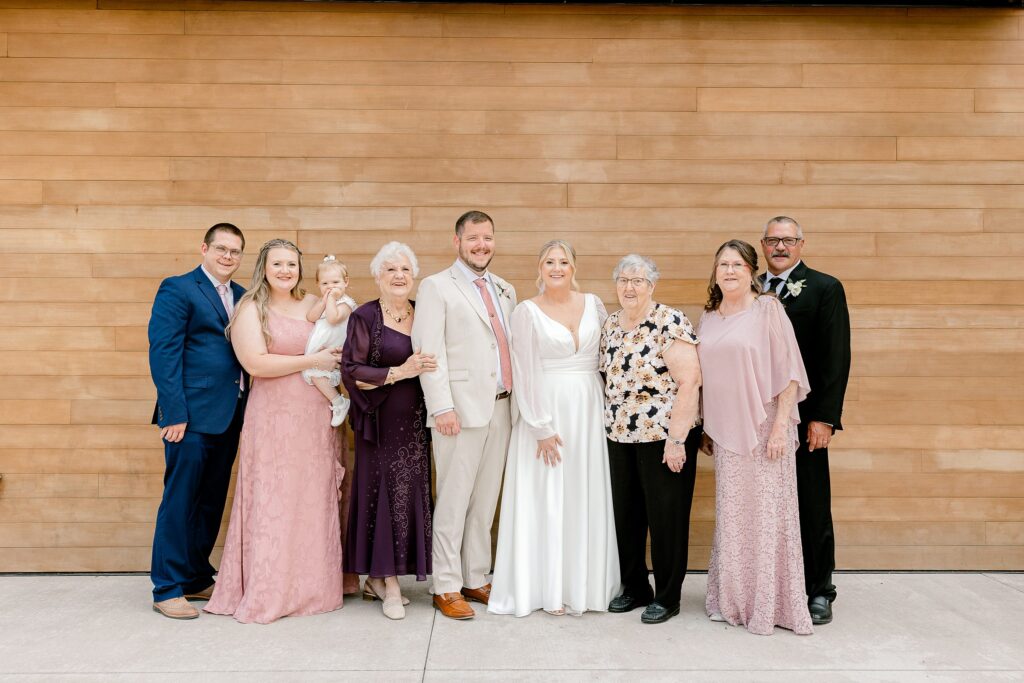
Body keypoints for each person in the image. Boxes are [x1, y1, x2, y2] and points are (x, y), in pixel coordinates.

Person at [204, 239, 346, 624]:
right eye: (278, 264)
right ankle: (270, 589)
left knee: (312, 497)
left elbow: (336, 336)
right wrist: (311, 359)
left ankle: (313, 587)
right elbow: (255, 363)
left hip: (316, 417)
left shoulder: (313, 302)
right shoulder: (251, 307)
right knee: (274, 499)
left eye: (292, 264)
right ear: (264, 268)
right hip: (272, 418)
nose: (286, 270)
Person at [488, 240, 620, 618]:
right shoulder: (527, 312)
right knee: (547, 496)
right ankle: (547, 587)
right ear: (540, 267)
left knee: (583, 492)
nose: (557, 267)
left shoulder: (594, 303)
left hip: (589, 411)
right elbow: (524, 372)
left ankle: (586, 584)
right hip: (546, 412)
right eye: (550, 261)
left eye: (564, 261)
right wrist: (540, 426)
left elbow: (607, 361)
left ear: (574, 267)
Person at [698, 239, 813, 636]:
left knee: (767, 518)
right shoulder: (709, 316)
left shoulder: (768, 309)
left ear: (751, 271)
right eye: (723, 264)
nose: (729, 271)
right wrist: (705, 424)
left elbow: (789, 372)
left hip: (765, 429)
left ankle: (769, 603)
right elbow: (705, 378)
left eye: (737, 265)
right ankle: (732, 601)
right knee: (733, 518)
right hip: (726, 433)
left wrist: (781, 426)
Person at [411, 210, 517, 620]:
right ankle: (446, 584)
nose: (481, 245)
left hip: (502, 408)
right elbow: (429, 352)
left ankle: (475, 575)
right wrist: (442, 407)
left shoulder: (504, 288)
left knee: (485, 499)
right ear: (457, 241)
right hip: (457, 411)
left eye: (487, 238)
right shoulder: (437, 286)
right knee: (454, 502)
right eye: (473, 238)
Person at [148, 223, 248, 620]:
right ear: (204, 248)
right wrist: (173, 413)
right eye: (221, 248)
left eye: (235, 251)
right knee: (180, 499)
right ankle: (167, 586)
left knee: (209, 500)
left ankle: (193, 574)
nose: (228, 256)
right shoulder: (178, 288)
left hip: (229, 413)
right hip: (188, 417)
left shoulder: (241, 296)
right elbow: (164, 351)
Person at [599, 254, 702, 625]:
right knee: (627, 518)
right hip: (619, 435)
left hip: (664, 437)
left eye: (638, 281)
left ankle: (668, 595)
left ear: (652, 286)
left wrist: (677, 440)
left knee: (666, 519)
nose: (629, 287)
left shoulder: (669, 321)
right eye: (623, 280)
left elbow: (690, 381)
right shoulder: (610, 324)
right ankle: (635, 587)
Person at [759, 216, 851, 625]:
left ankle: (819, 588)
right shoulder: (748, 288)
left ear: (801, 244)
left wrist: (824, 418)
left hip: (804, 418)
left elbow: (835, 356)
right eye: (773, 240)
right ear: (762, 245)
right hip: (758, 418)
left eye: (788, 240)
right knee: (766, 504)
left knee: (811, 502)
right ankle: (776, 583)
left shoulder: (825, 288)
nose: (780, 246)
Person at [342, 242, 437, 621]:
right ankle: (389, 583)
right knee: (381, 496)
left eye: (406, 271)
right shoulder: (365, 317)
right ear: (378, 276)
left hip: (416, 424)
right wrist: (400, 372)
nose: (399, 277)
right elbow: (352, 372)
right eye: (391, 270)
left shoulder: (423, 313)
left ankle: (378, 580)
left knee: (409, 496)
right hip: (379, 424)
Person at [303, 255, 356, 427]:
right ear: (318, 284)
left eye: (335, 282)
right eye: (325, 284)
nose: (330, 287)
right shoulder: (324, 301)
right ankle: (337, 401)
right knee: (312, 371)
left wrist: (331, 299)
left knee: (314, 373)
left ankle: (339, 402)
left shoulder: (346, 303)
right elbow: (310, 316)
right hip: (322, 348)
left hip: (336, 348)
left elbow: (333, 319)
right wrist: (323, 301)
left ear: (345, 282)